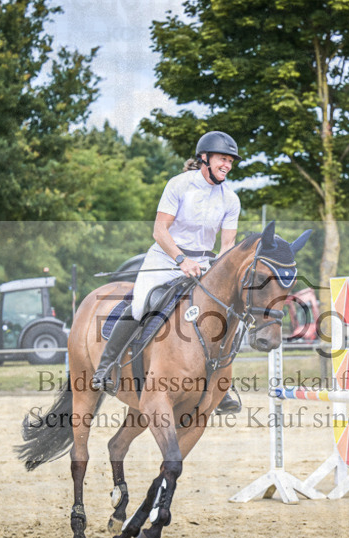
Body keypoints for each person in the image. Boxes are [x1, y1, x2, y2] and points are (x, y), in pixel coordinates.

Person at [91, 131, 243, 416]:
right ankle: (106, 368)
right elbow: (159, 231)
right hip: (165, 256)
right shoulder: (179, 185)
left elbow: (228, 246)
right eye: (223, 159)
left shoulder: (230, 199)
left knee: (222, 313)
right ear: (205, 158)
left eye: (230, 161)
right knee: (140, 305)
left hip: (204, 263)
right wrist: (181, 259)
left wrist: (222, 270)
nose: (227, 165)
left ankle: (218, 386)